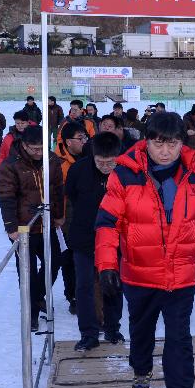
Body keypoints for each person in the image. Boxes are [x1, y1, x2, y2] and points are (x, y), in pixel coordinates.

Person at [95, 112, 195, 388]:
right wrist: (107, 264)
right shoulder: (124, 175)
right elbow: (108, 224)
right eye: (158, 143)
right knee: (140, 328)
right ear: (146, 141)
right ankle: (141, 367)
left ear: (182, 143)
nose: (165, 151)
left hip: (180, 274)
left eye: (172, 144)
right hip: (139, 272)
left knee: (179, 339)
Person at [0, 126, 63, 323]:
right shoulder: (10, 165)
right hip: (23, 228)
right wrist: (11, 226)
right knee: (27, 270)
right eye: (34, 149)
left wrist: (59, 215)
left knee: (55, 261)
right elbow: (6, 197)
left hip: (47, 224)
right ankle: (31, 311)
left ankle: (37, 296)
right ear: (24, 145)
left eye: (41, 148)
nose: (38, 153)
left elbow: (58, 189)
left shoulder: (51, 160)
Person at [66, 132, 125, 351]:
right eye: (100, 161)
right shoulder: (79, 170)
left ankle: (112, 328)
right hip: (84, 238)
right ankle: (88, 333)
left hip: (115, 240)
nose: (105, 166)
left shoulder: (126, 172)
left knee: (113, 285)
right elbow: (71, 195)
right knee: (84, 287)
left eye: (111, 162)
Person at [52, 121, 91, 314]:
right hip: (65, 216)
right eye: (80, 138)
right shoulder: (56, 162)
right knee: (68, 257)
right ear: (68, 142)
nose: (84, 141)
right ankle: (73, 295)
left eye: (85, 137)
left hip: (86, 214)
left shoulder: (90, 156)